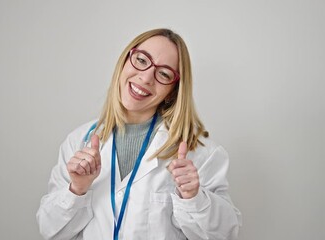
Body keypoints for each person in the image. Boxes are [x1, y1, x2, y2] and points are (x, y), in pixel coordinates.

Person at [36, 28, 242, 240]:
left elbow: (226, 235)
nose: (145, 78)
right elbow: (50, 231)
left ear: (173, 91)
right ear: (125, 61)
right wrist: (77, 189)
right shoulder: (78, 141)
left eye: (163, 74)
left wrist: (194, 198)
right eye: (142, 60)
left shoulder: (200, 154)